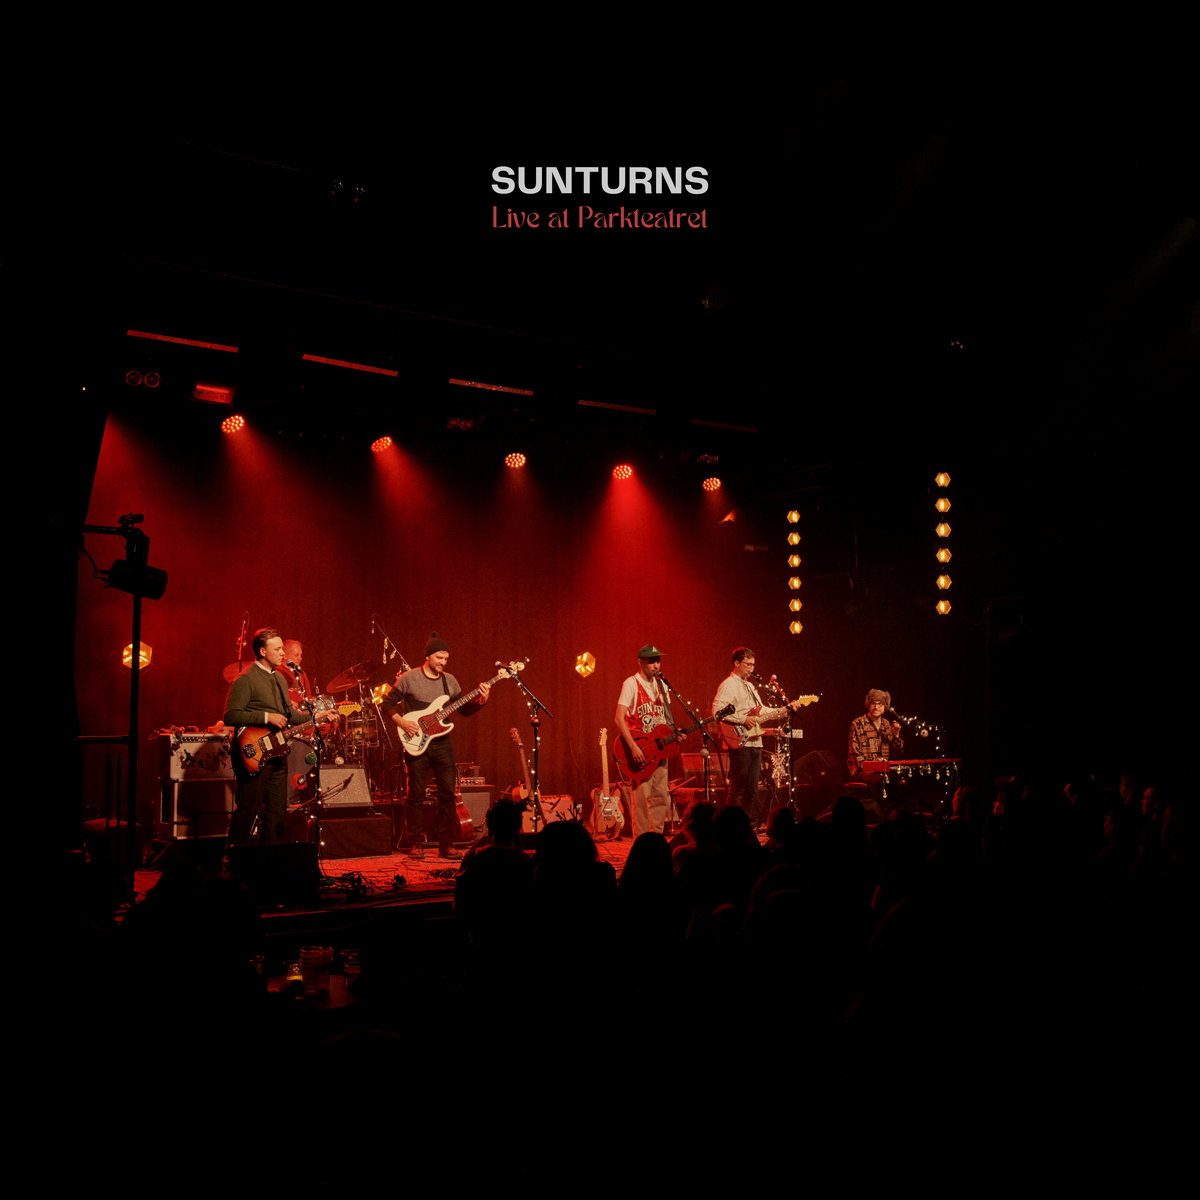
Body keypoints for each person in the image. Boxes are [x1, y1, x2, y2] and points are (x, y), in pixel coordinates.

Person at [380, 633, 491, 860]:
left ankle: (446, 844)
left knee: (448, 795)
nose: (443, 662)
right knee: (416, 795)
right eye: (439, 658)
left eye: (446, 659)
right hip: (417, 742)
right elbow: (387, 704)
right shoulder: (409, 678)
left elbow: (463, 709)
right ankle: (416, 843)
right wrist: (401, 722)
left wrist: (481, 701)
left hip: (441, 744)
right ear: (428, 657)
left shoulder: (449, 680)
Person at [223, 628, 311, 845]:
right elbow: (230, 715)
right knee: (248, 808)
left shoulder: (281, 680)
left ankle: (269, 862)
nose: (283, 653)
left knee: (276, 812)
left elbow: (291, 716)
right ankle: (235, 862)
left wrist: (318, 714)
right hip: (253, 753)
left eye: (282, 648)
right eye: (278, 649)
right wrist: (266, 717)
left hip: (277, 753)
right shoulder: (246, 679)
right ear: (262, 651)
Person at [712, 647, 803, 820]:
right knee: (738, 788)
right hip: (739, 740)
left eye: (753, 665)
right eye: (748, 664)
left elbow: (761, 711)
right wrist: (742, 719)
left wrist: (786, 710)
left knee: (752, 790)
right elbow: (717, 711)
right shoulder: (728, 685)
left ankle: (744, 826)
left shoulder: (751, 687)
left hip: (755, 741)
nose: (752, 669)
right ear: (736, 663)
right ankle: (730, 827)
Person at [614, 644, 680, 836]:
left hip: (660, 750)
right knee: (641, 801)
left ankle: (657, 841)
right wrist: (633, 747)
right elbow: (619, 718)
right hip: (641, 750)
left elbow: (666, 719)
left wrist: (675, 734)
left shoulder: (662, 685)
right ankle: (641, 845)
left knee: (661, 798)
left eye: (658, 661)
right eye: (651, 661)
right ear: (640, 662)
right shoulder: (631, 684)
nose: (656, 665)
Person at [847, 688, 904, 785]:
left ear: (885, 706)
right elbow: (855, 756)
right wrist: (876, 769)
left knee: (902, 777)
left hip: (883, 770)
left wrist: (896, 735)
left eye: (880, 704)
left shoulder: (886, 724)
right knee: (879, 780)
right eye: (873, 703)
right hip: (862, 771)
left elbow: (897, 753)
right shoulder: (857, 724)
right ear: (868, 705)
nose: (876, 707)